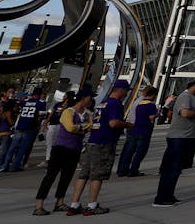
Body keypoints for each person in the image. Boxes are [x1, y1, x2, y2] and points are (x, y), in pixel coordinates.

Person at [68, 79, 133, 215]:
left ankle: (74, 204)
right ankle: (92, 205)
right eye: (126, 90)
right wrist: (127, 124)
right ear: (120, 90)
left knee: (84, 174)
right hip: (104, 142)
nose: (127, 93)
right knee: (97, 175)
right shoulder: (115, 104)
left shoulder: (102, 103)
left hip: (92, 140)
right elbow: (113, 123)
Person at [32, 88, 94, 214]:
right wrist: (83, 127)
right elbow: (70, 127)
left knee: (67, 177)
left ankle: (59, 202)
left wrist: (81, 128)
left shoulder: (88, 113)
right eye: (90, 97)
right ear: (83, 98)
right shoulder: (68, 112)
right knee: (50, 176)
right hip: (61, 147)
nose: (91, 100)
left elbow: (91, 125)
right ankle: (39, 205)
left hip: (75, 148)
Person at [153, 78, 195, 207]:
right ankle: (162, 197)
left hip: (187, 137)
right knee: (172, 167)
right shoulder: (185, 97)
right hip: (179, 137)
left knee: (177, 168)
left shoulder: (192, 98)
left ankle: (168, 194)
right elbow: (185, 113)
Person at [1, 86, 46, 173]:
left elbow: (17, 108)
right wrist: (37, 125)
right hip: (30, 126)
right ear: (40, 94)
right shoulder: (41, 102)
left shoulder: (25, 101)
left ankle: (5, 165)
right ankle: (15, 166)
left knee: (13, 146)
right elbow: (40, 117)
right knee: (22, 148)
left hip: (20, 125)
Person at [117, 86, 158, 177]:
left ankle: (122, 170)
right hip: (144, 130)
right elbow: (151, 117)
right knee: (140, 151)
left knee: (129, 150)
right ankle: (133, 169)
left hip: (134, 128)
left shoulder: (139, 103)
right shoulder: (151, 105)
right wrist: (157, 114)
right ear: (153, 95)